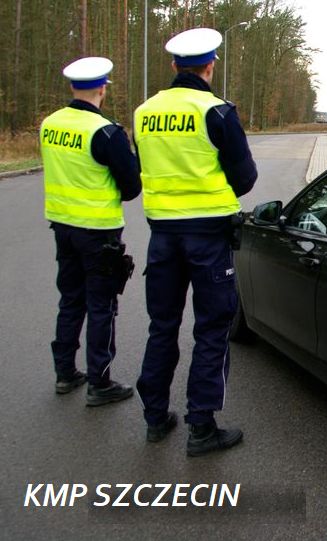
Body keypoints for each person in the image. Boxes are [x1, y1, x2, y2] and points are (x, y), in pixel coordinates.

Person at [134, 28, 257, 456]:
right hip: (207, 238)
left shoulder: (143, 112)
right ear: (210, 65)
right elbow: (245, 178)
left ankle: (154, 418)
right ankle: (201, 428)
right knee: (211, 329)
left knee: (162, 327)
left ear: (173, 65)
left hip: (162, 237)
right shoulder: (217, 112)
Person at [41, 56, 141, 406]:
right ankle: (100, 382)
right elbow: (131, 188)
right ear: (102, 88)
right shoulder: (106, 132)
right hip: (98, 232)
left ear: (72, 87)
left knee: (70, 300)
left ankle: (65, 373)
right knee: (102, 305)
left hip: (62, 227)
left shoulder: (49, 124)